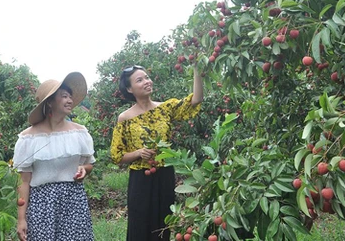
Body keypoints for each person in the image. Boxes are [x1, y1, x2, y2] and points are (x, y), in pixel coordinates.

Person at [110, 65, 203, 241]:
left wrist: (198, 68)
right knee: (139, 226)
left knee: (163, 224)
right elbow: (116, 156)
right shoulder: (125, 118)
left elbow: (196, 99)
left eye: (147, 77)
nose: (147, 81)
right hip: (140, 178)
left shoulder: (165, 108)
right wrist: (138, 153)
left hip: (165, 174)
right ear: (130, 89)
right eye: (140, 80)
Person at [13, 71, 95, 241]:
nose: (70, 100)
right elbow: (24, 182)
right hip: (41, 203)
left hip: (73, 200)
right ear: (49, 102)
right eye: (64, 96)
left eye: (70, 96)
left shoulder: (79, 133)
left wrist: (84, 170)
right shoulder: (29, 138)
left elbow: (89, 164)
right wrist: (21, 219)